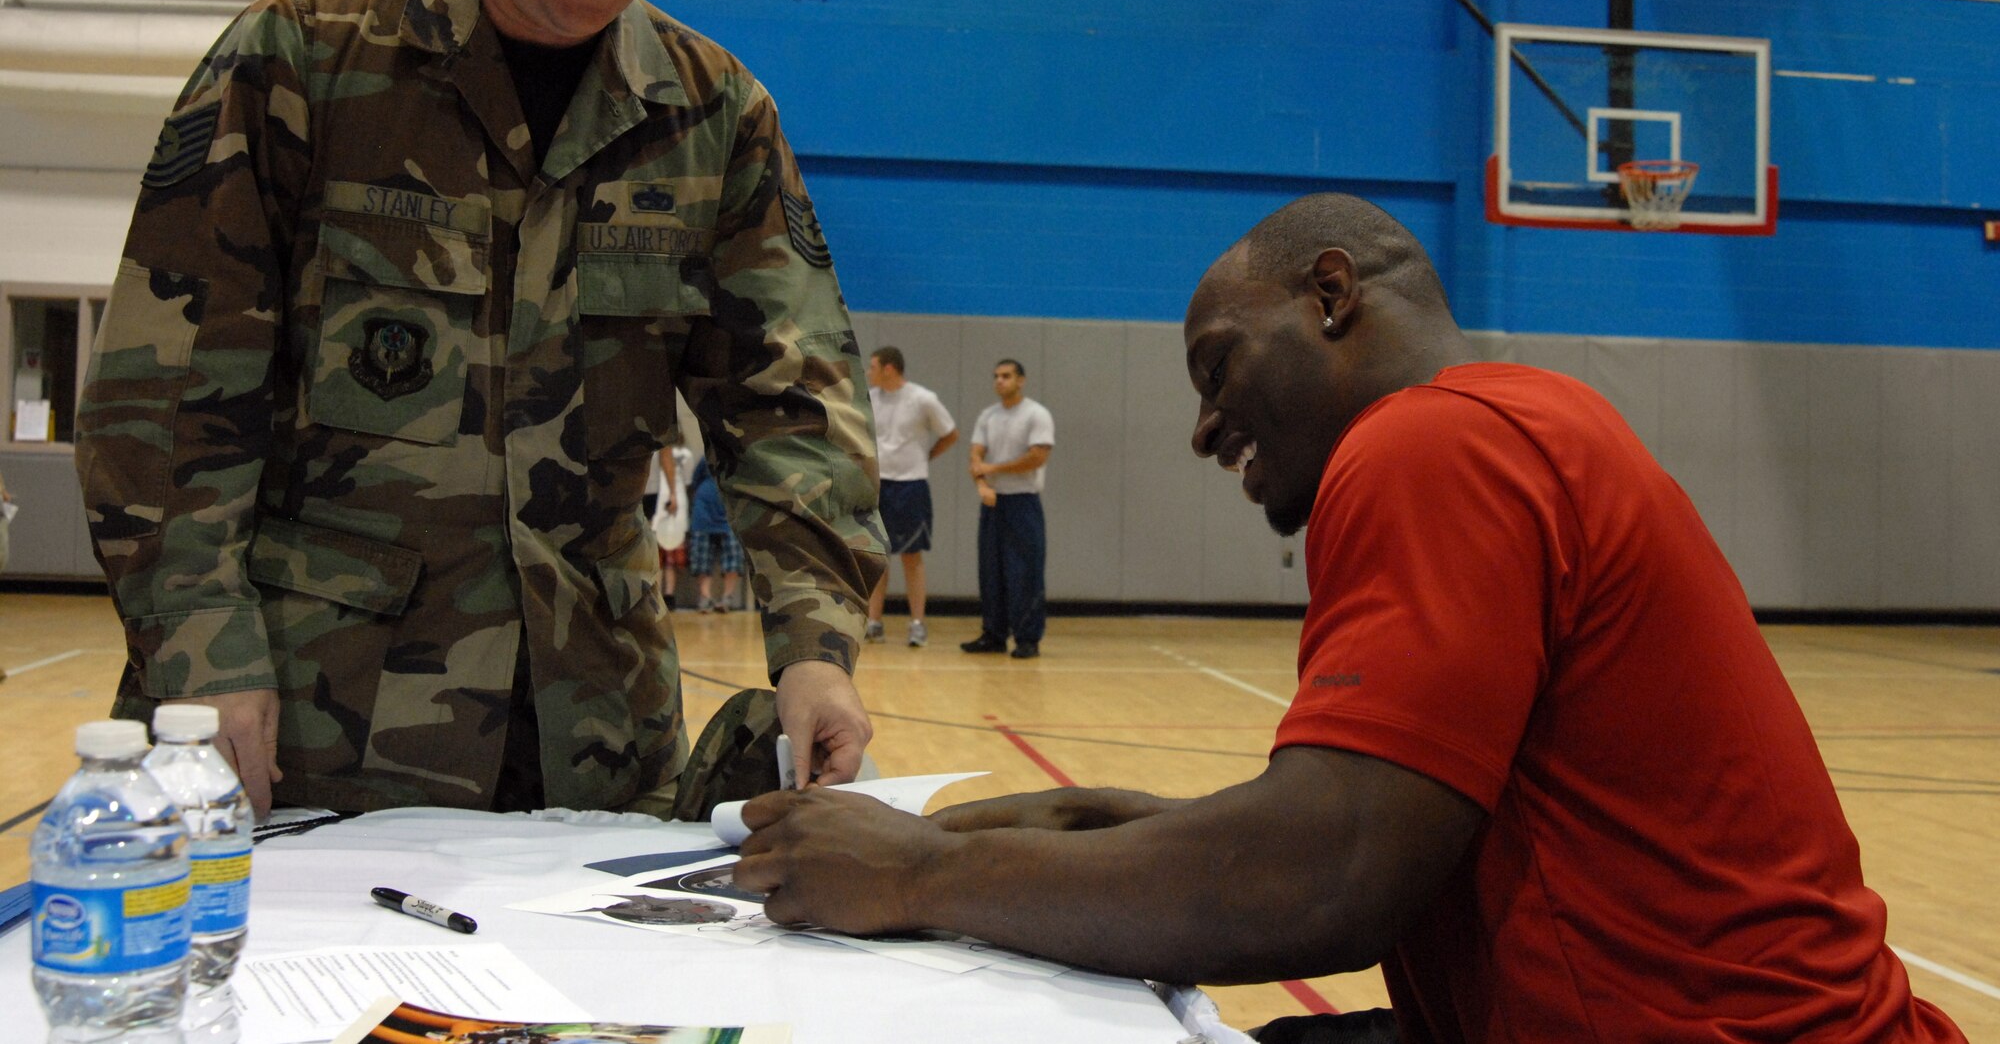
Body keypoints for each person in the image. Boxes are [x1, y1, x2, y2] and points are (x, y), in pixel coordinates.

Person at [737, 194, 1966, 1043]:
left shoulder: (1431, 440)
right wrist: (1082, 822)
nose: (1204, 427)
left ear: (1330, 293)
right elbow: (1388, 836)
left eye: (1217, 366)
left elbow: (1328, 878)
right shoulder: (1521, 426)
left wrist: (922, 871)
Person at [73, 0, 884, 819]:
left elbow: (792, 402)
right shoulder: (305, 58)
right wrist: (204, 652)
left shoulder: (710, 117)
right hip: (319, 721)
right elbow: (163, 403)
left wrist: (816, 647)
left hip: (591, 744)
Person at [863, 346, 957, 647]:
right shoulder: (870, 398)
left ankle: (917, 623)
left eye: (873, 366)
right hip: (878, 486)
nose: (869, 371)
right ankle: (874, 622)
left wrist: (925, 457)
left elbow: (950, 433)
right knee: (878, 555)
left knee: (911, 556)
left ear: (889, 368)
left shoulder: (923, 399)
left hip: (911, 486)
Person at [960, 360, 1054, 659]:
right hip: (993, 503)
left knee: (1024, 571)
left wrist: (994, 468)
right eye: (996, 376)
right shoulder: (988, 416)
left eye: (1006, 376)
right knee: (991, 570)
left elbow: (1037, 457)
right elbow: (976, 456)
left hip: (1022, 501)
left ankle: (1027, 638)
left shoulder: (1036, 415)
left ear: (1021, 380)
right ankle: (994, 634)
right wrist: (982, 484)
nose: (1000, 381)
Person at [685, 458, 743, 614]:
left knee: (733, 556)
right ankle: (705, 597)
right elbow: (696, 480)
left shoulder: (737, 460)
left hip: (729, 513)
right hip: (703, 512)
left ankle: (727, 598)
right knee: (701, 558)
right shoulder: (706, 458)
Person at [651, 430, 696, 608]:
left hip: (668, 506)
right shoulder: (681, 456)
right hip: (669, 505)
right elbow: (687, 480)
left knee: (663, 558)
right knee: (665, 558)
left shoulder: (679, 456)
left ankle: (664, 596)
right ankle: (667, 595)